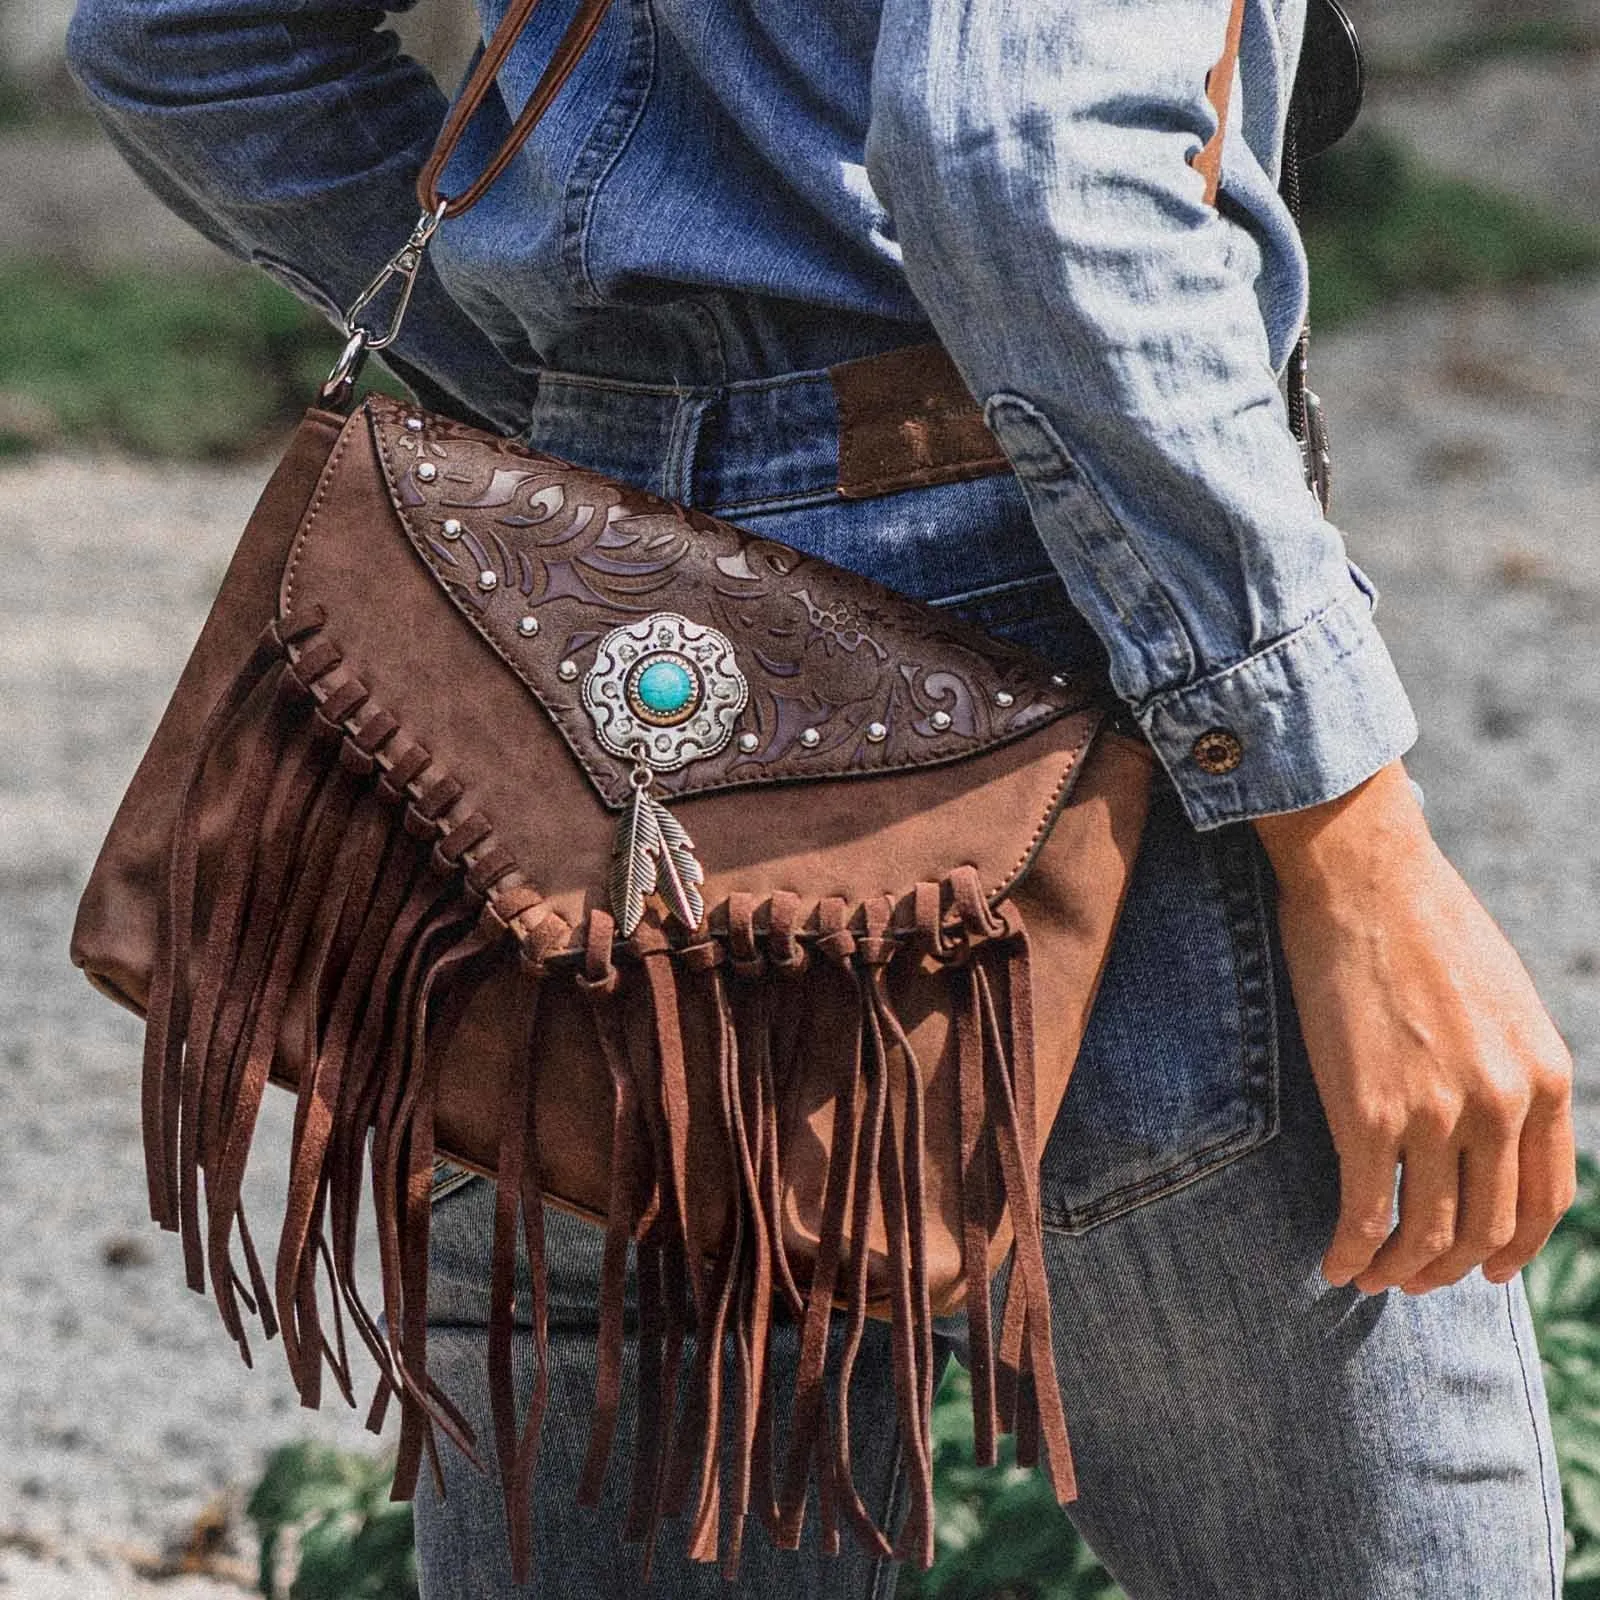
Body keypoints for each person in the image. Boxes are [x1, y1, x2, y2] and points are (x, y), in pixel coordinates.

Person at [64, 0, 1577, 1594]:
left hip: (565, 708)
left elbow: (185, 39)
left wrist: (584, 434)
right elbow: (1024, 145)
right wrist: (1349, 836)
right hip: (1035, 688)